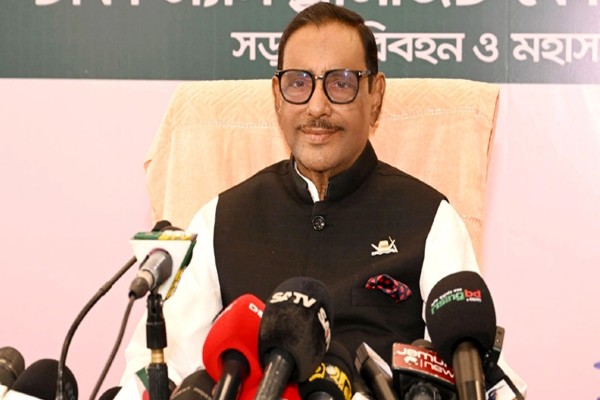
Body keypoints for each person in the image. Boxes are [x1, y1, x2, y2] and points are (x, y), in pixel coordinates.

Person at [118, 3, 526, 399]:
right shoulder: (219, 220)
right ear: (277, 96)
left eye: (341, 83)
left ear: (375, 96)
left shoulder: (429, 219)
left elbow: (480, 370)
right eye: (298, 83)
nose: (317, 106)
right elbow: (161, 366)